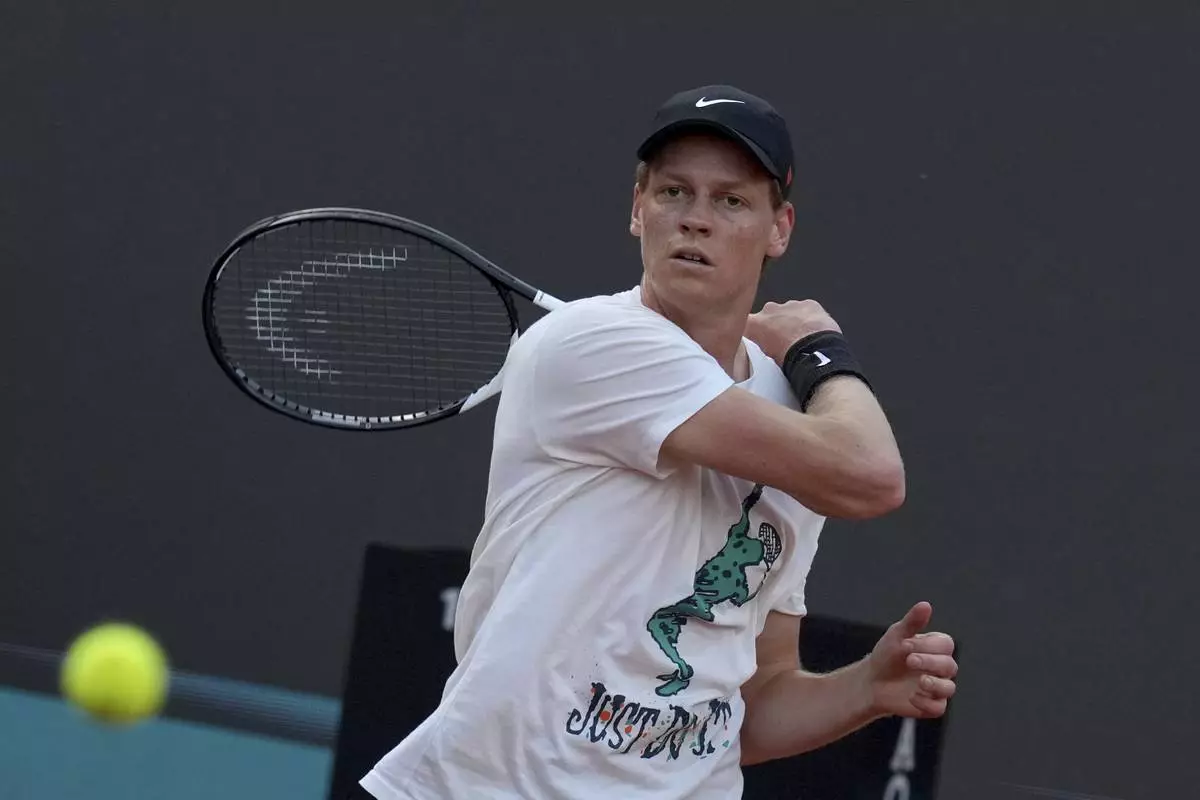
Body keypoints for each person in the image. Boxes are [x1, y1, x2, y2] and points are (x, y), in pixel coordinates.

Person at [357, 84, 957, 800]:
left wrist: (865, 688)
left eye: (731, 201)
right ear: (638, 209)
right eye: (674, 192)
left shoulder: (800, 424)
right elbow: (872, 476)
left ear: (779, 229)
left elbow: (754, 703)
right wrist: (822, 351)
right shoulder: (594, 344)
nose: (695, 220)